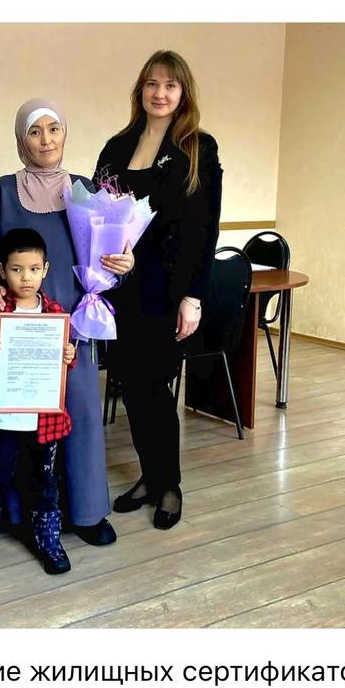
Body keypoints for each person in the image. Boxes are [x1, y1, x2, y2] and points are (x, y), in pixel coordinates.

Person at [0, 99, 133, 547]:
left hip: (71, 328)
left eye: (53, 129)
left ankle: (87, 511)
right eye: (34, 131)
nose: (45, 140)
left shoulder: (85, 190)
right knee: (16, 425)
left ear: (64, 134)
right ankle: (18, 514)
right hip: (15, 331)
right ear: (21, 140)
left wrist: (123, 264)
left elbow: (107, 258)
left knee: (80, 414)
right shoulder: (3, 192)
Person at [95, 50, 222, 529]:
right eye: (152, 83)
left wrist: (193, 296)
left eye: (170, 85)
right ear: (140, 90)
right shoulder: (117, 146)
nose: (160, 93)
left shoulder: (198, 148)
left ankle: (169, 484)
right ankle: (150, 475)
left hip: (168, 291)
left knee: (155, 386)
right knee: (130, 384)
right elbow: (99, 214)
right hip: (121, 288)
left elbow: (205, 228)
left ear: (183, 92)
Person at [0, 227, 76, 575]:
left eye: (33, 269)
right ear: (2, 270)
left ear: (45, 270)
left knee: (43, 481)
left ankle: (47, 536)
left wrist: (68, 354)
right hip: (2, 418)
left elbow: (65, 363)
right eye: (16, 269)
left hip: (42, 419)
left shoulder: (55, 312)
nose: (25, 277)